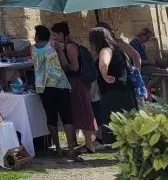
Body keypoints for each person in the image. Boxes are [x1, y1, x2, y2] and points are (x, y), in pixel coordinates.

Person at [31, 25, 78, 159]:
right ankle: (70, 149)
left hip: (43, 86)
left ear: (37, 36)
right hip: (59, 84)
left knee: (51, 117)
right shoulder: (54, 46)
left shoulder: (32, 49)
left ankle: (57, 148)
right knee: (67, 117)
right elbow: (64, 65)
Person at [50, 22, 97, 154]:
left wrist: (61, 60)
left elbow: (74, 67)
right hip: (71, 82)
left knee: (83, 111)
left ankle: (89, 144)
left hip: (76, 82)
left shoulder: (70, 46)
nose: (53, 38)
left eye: (55, 35)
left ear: (61, 34)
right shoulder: (67, 45)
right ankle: (78, 142)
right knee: (75, 111)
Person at [88, 27, 139, 144]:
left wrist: (105, 75)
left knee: (114, 121)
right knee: (127, 120)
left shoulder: (105, 50)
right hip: (126, 90)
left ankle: (117, 144)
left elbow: (103, 64)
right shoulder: (119, 50)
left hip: (112, 91)